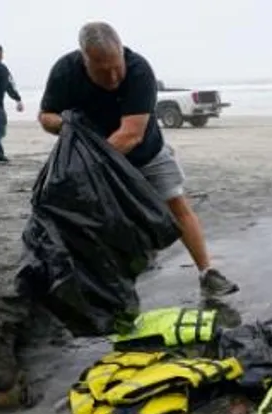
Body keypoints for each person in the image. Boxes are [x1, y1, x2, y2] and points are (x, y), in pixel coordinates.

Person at [36, 22, 239, 298]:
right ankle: (104, 285)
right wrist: (67, 126)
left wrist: (92, 166)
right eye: (102, 69)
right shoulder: (65, 71)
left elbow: (131, 134)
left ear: (122, 51)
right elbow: (46, 117)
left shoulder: (139, 70)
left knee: (177, 205)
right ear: (84, 59)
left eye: (116, 66)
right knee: (99, 221)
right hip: (95, 159)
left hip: (146, 152)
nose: (113, 77)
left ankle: (207, 272)